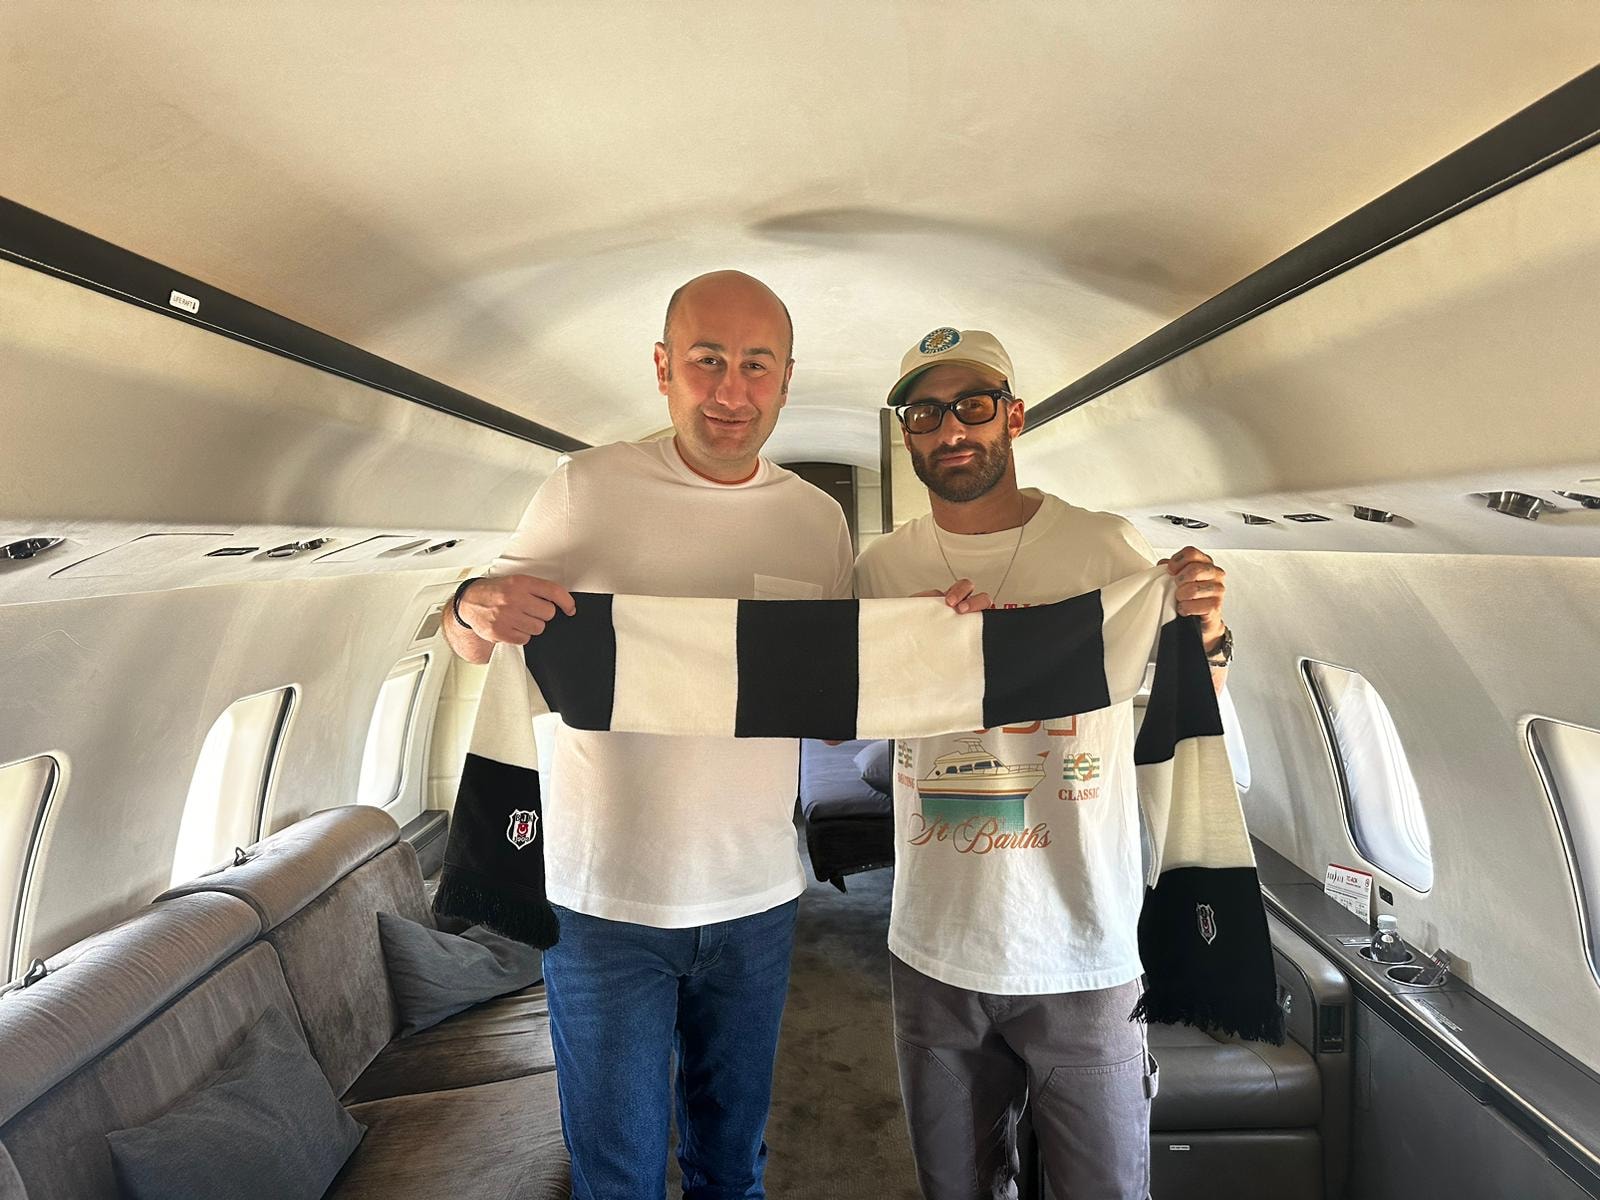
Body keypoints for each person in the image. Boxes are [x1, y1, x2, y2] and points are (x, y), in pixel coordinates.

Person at [442, 271, 853, 1200]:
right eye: (708, 360)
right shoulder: (583, 490)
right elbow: (473, 638)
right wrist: (469, 604)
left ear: (788, 378)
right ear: (664, 369)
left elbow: (839, 687)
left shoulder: (816, 522)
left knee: (733, 1171)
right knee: (618, 1179)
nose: (731, 391)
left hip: (756, 899)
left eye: (757, 365)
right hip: (602, 909)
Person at [854, 327, 1234, 1199]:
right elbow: (840, 719)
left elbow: (1181, 702)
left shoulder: (1104, 549)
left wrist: (1208, 633)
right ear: (907, 435)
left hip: (1084, 943)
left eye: (973, 405)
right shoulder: (882, 567)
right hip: (934, 945)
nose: (951, 428)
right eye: (925, 413)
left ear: (1013, 416)